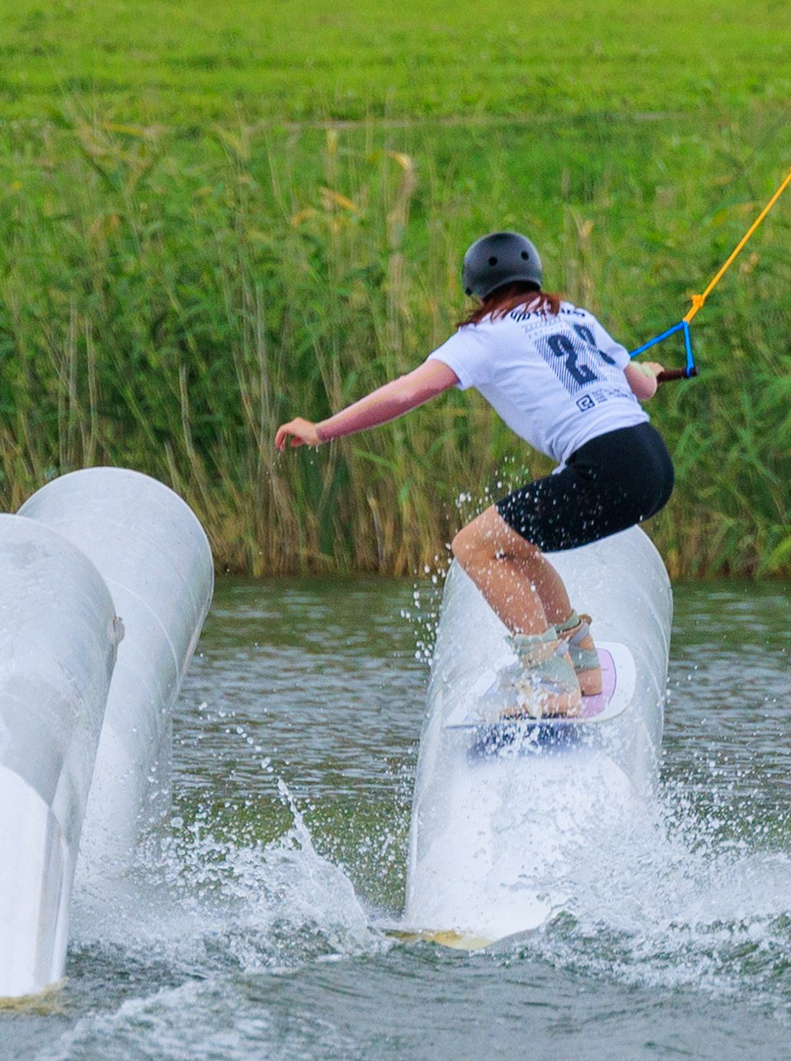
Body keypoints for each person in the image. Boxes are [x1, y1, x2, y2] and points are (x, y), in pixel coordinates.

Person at [275, 231, 673, 717]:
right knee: (511, 544)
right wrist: (647, 372)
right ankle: (582, 663)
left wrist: (323, 429)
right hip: (651, 463)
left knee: (474, 546)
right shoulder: (576, 317)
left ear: (478, 292)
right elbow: (641, 389)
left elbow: (405, 393)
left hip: (606, 465)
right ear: (534, 277)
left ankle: (551, 683)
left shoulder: (483, 337)